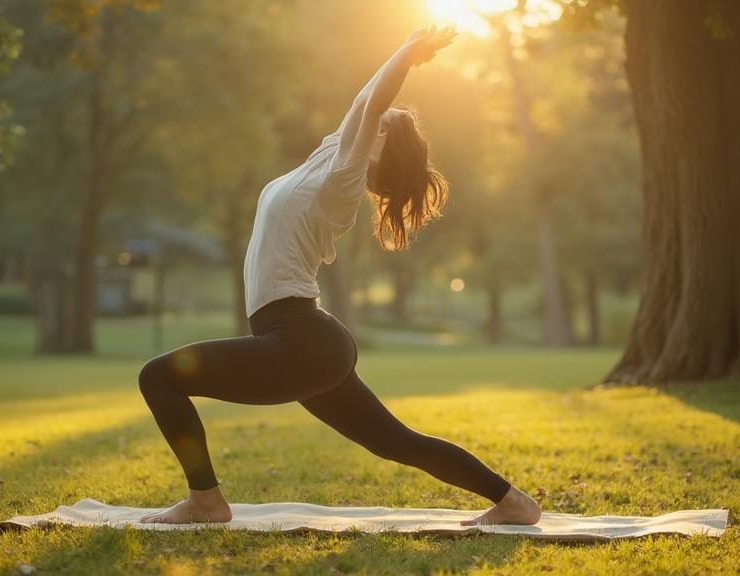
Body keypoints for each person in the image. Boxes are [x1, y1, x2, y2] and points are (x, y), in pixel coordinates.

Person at [137, 25, 541, 526]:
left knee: (158, 377)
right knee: (395, 441)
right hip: (304, 341)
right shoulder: (326, 156)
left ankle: (205, 500)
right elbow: (364, 101)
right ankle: (514, 502)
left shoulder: (342, 182)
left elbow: (372, 101)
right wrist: (398, 63)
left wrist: (407, 55)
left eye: (381, 123)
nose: (364, 121)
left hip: (300, 340)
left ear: (381, 145)